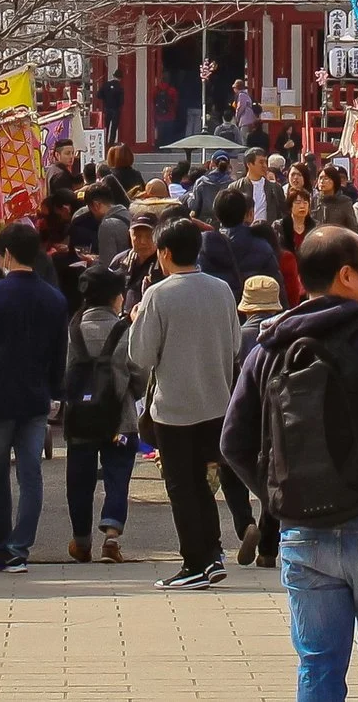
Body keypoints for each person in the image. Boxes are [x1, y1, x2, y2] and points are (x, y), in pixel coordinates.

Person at [221, 227, 358, 702]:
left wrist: (278, 493)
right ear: (347, 275)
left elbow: (234, 442)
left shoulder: (269, 349)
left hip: (304, 530)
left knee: (318, 667)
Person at [125, 217, 243, 590]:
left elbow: (140, 355)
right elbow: (236, 344)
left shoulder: (158, 294)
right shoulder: (222, 289)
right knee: (202, 484)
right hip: (216, 402)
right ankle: (212, 554)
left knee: (181, 485)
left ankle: (195, 562)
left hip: (174, 407)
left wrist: (136, 320)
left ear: (164, 253)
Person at [0, 221, 70, 573]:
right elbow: (59, 352)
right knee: (30, 474)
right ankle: (21, 547)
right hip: (35, 396)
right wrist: (55, 391)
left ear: (6, 255)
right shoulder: (54, 298)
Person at [62, 266, 143, 564]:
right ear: (115, 297)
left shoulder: (73, 329)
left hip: (80, 419)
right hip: (119, 421)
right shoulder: (125, 330)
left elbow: (64, 372)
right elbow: (139, 374)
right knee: (117, 476)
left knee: (79, 480)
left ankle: (82, 541)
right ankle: (111, 535)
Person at [220, 275, 288, 567]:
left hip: (239, 412)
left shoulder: (236, 336)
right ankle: (268, 551)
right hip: (276, 416)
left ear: (245, 307)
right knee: (274, 474)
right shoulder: (285, 336)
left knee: (230, 469)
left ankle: (244, 522)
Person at [198, 185, 279, 299]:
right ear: (246, 213)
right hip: (254, 310)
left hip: (220, 310)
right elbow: (276, 287)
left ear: (216, 214)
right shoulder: (262, 247)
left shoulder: (203, 248)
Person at [243, 146, 283, 224]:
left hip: (268, 232)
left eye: (266, 162)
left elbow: (283, 212)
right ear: (249, 164)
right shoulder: (236, 187)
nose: (265, 165)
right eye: (261, 162)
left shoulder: (275, 187)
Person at [96, 73, 128, 139]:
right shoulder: (120, 87)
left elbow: (98, 95)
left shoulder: (106, 84)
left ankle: (104, 141)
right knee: (114, 128)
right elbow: (121, 101)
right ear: (120, 78)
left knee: (105, 126)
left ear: (113, 76)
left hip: (107, 108)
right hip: (115, 110)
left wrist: (105, 99)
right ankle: (111, 143)